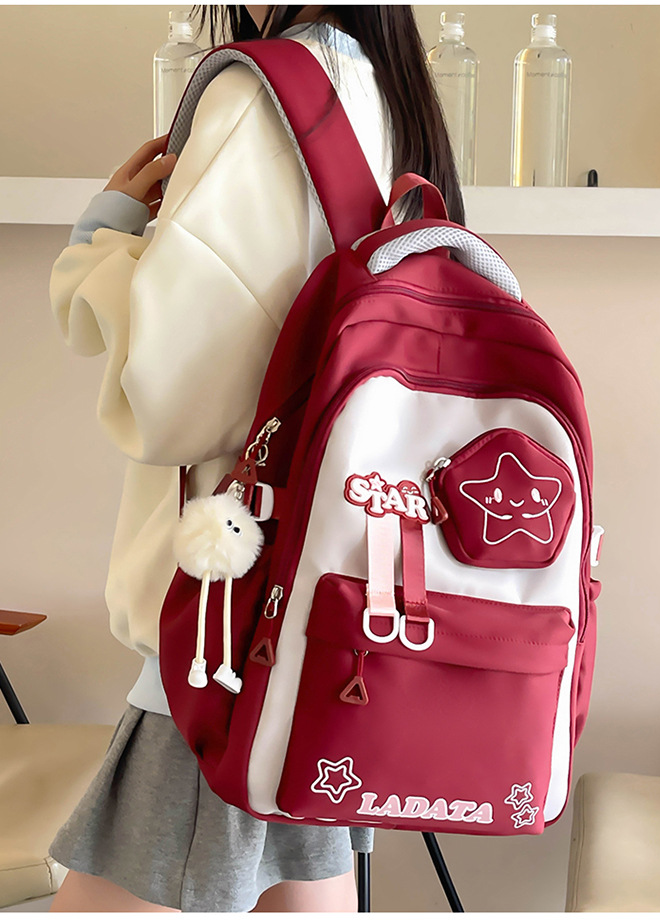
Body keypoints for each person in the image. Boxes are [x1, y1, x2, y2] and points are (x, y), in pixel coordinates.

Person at [47, 4, 463, 913]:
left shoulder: (258, 95)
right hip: (329, 603)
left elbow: (171, 391)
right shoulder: (390, 92)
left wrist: (97, 246)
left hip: (227, 629)